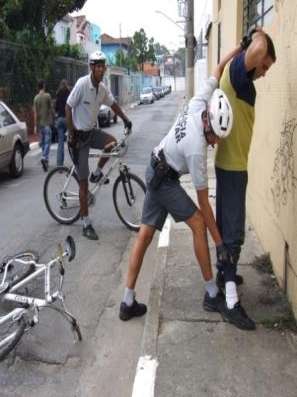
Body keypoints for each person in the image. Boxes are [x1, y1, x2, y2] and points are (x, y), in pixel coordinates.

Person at [119, 44, 243, 323]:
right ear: (208, 124)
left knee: (145, 235)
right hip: (164, 180)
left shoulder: (200, 101)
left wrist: (239, 48)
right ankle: (212, 295)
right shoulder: (197, 149)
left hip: (155, 167)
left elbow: (218, 69)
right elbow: (204, 205)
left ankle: (127, 301)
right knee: (199, 224)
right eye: (216, 137)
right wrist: (220, 243)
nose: (217, 143)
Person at [214, 28, 276, 330]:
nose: (263, 72)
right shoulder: (240, 74)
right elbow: (260, 46)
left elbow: (225, 62)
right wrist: (255, 35)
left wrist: (240, 46)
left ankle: (222, 274)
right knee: (235, 235)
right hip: (233, 167)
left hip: (228, 164)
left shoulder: (232, 69)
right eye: (264, 66)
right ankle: (229, 301)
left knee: (225, 227)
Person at [65, 50, 132, 241]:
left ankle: (98, 172)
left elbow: (113, 104)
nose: (101, 69)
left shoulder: (102, 88)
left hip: (91, 132)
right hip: (78, 138)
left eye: (103, 66)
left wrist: (125, 118)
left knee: (112, 142)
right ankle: (85, 223)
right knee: (83, 185)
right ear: (91, 67)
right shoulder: (82, 84)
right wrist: (71, 135)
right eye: (98, 66)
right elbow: (68, 107)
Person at [33, 79, 53, 172]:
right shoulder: (47, 96)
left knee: (44, 143)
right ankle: (44, 157)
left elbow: (35, 113)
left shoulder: (36, 98)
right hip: (47, 123)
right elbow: (51, 109)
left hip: (40, 124)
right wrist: (53, 117)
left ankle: (45, 162)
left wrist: (35, 125)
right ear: (44, 86)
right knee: (48, 142)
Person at [54, 79, 70, 166]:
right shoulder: (69, 94)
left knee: (60, 143)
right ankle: (76, 162)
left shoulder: (58, 94)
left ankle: (59, 164)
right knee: (71, 140)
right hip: (68, 119)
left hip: (60, 119)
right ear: (67, 85)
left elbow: (56, 108)